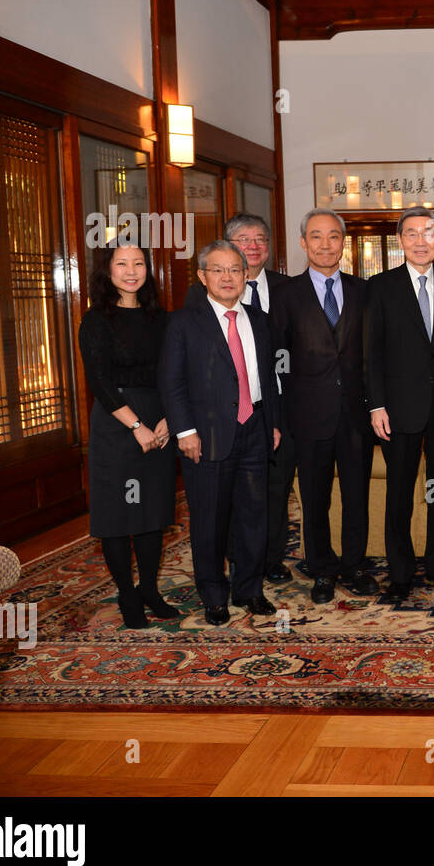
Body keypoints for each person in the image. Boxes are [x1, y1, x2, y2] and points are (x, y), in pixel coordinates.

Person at [159, 239, 282, 625]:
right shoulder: (183, 322)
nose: (228, 277)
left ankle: (250, 589)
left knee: (254, 515)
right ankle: (213, 594)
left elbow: (268, 376)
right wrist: (185, 431)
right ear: (202, 276)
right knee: (210, 518)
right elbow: (171, 381)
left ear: (247, 275)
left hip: (255, 428)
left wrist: (273, 423)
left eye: (235, 270)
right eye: (218, 270)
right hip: (205, 435)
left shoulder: (259, 320)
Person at [269, 209, 378, 604]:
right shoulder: (284, 296)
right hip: (307, 416)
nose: (326, 245)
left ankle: (353, 565)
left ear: (343, 243)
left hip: (355, 415)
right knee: (315, 500)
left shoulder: (365, 291)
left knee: (356, 497)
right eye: (317, 237)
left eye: (334, 237)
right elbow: (276, 360)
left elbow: (374, 356)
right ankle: (321, 569)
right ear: (303, 243)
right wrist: (280, 418)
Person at [186, 213, 294, 585]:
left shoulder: (286, 289)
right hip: (218, 420)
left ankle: (266, 563)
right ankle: (223, 573)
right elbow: (183, 371)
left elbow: (280, 360)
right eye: (243, 239)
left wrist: (277, 418)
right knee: (220, 503)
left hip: (271, 412)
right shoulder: (194, 304)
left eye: (260, 238)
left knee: (269, 494)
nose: (253, 246)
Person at [367, 209, 434, 603]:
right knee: (400, 494)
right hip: (398, 410)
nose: (420, 240)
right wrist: (376, 405)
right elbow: (371, 353)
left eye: (428, 233)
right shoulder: (380, 287)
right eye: (411, 234)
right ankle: (401, 573)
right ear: (400, 241)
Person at [78, 241, 179, 628]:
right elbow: (100, 382)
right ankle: (126, 593)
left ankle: (150, 589)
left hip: (160, 420)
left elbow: (173, 371)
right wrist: (137, 426)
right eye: (122, 263)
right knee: (119, 514)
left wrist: (169, 417)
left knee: (152, 512)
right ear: (108, 270)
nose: (131, 270)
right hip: (117, 423)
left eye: (139, 263)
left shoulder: (161, 318)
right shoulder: (96, 319)